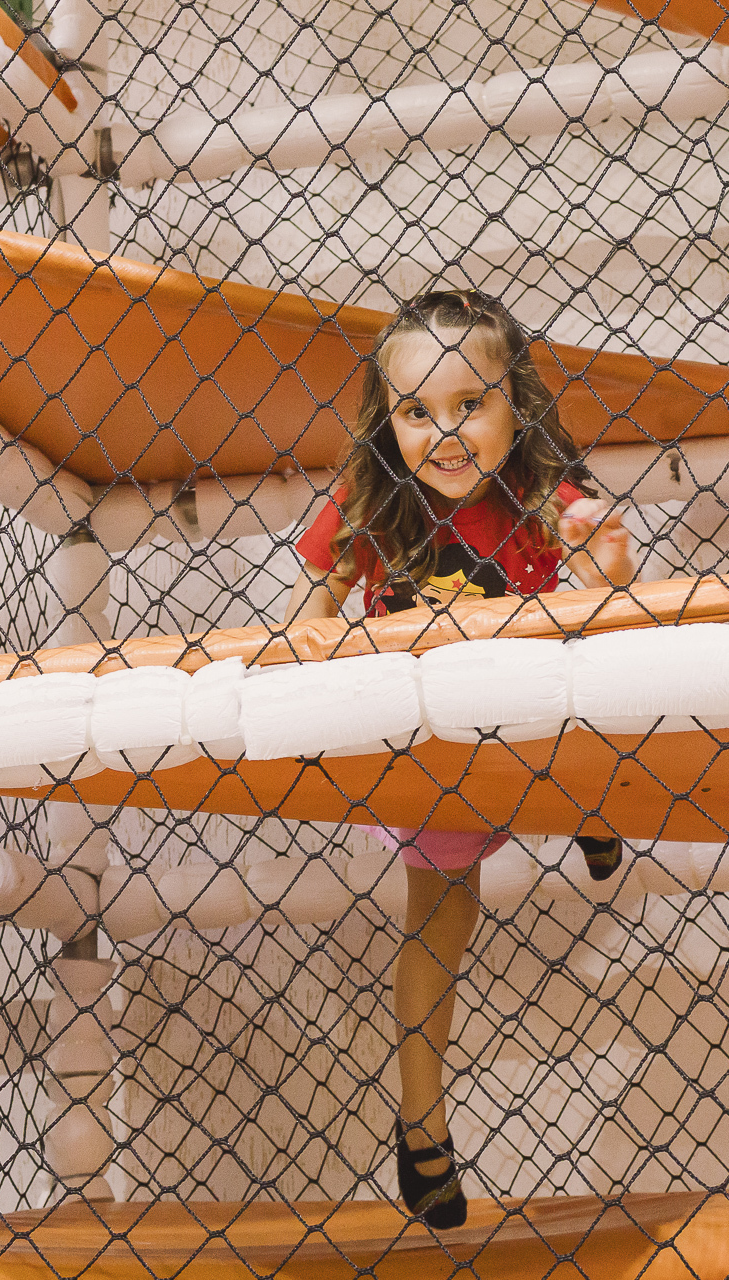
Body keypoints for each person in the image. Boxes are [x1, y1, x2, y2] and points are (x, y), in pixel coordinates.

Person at [282, 288, 636, 1229]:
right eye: (415, 412)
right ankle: (421, 1120)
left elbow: (609, 598)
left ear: (514, 404)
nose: (443, 432)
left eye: (468, 405)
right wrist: (330, 590)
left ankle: (592, 814)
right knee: (441, 914)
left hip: (536, 727)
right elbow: (301, 633)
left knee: (606, 708)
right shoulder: (365, 506)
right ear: (384, 420)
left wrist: (602, 553)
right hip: (431, 750)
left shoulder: (536, 494)